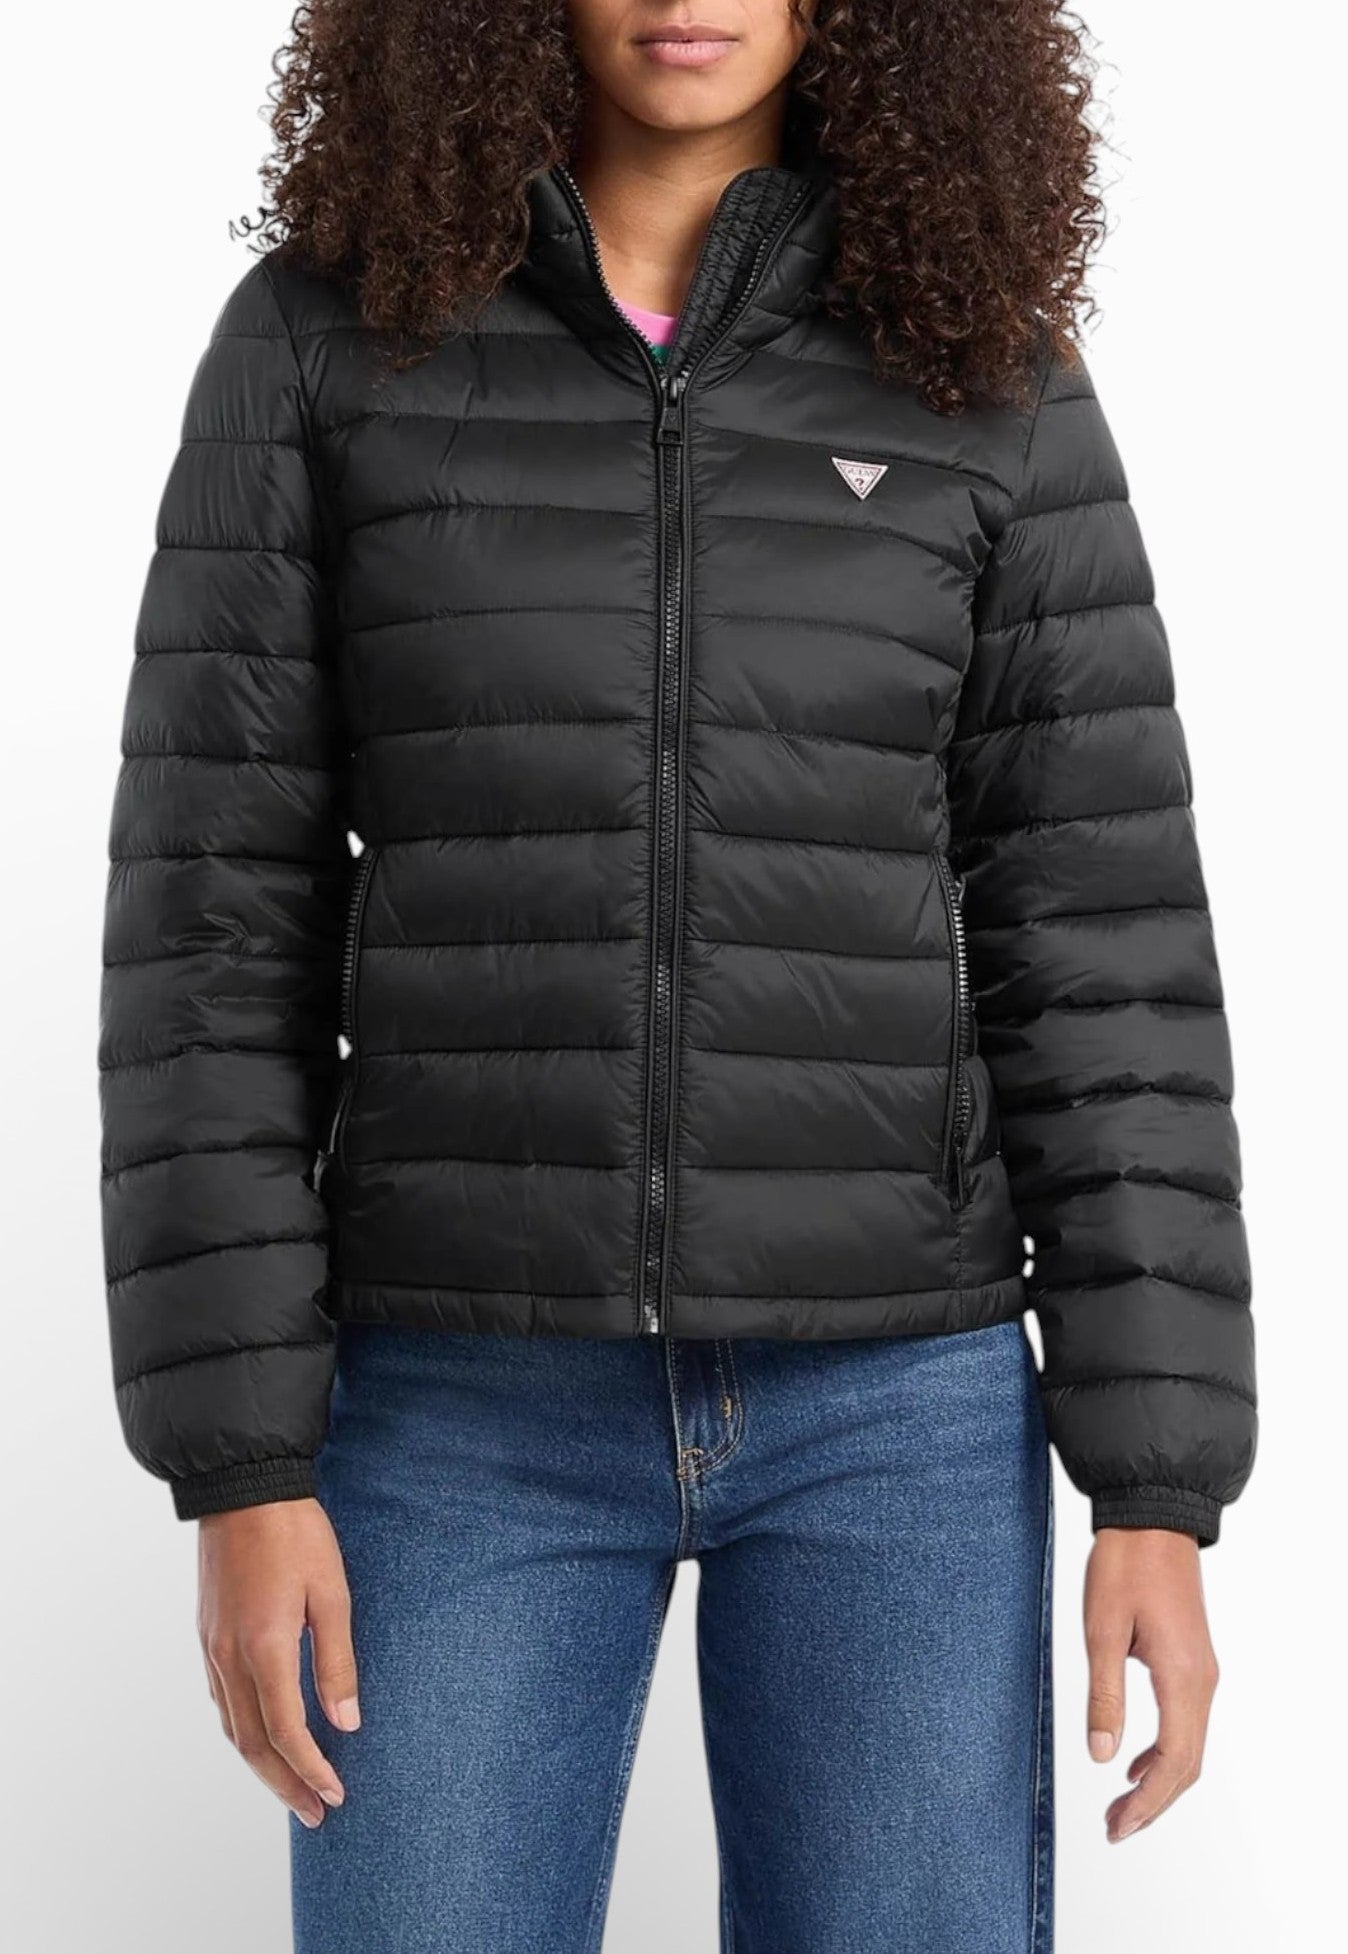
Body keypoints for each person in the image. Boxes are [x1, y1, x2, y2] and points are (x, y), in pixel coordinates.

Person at [99, 4, 1256, 1949]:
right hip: (455, 1392)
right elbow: (212, 929)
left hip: (894, 1399)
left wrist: (1155, 1482)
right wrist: (239, 1461)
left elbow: (1101, 938)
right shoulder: (326, 343)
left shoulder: (981, 367)